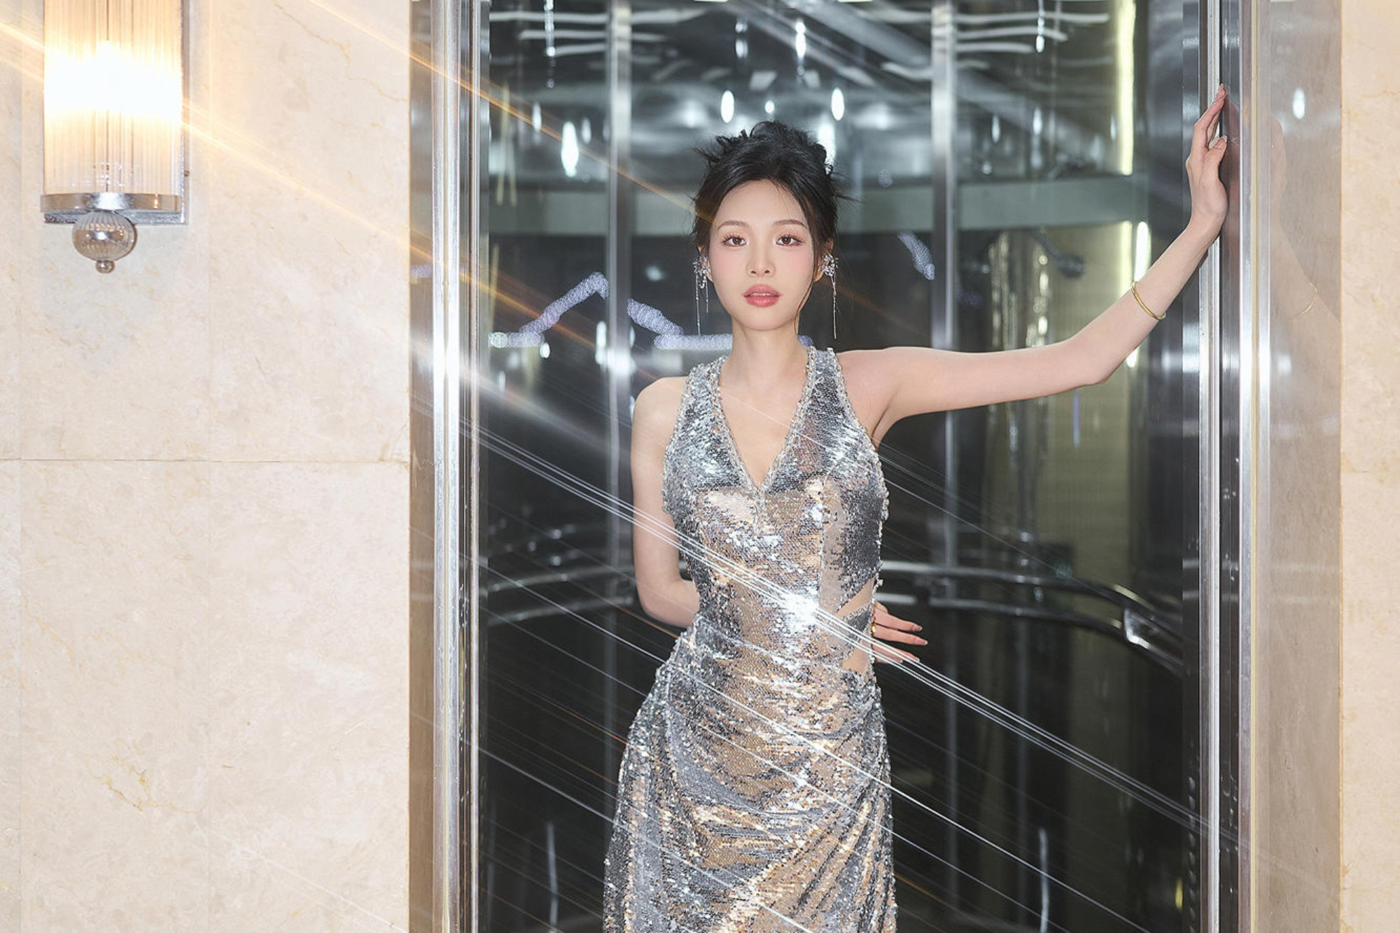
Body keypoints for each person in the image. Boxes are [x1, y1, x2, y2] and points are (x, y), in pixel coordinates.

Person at [604, 87, 1230, 932]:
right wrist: (805, 622)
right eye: (735, 239)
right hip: (694, 757)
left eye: (787, 239)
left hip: (826, 764)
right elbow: (659, 590)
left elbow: (1080, 359)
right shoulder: (661, 409)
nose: (760, 265)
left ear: (822, 258)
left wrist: (1200, 224)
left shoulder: (870, 383)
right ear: (705, 257)